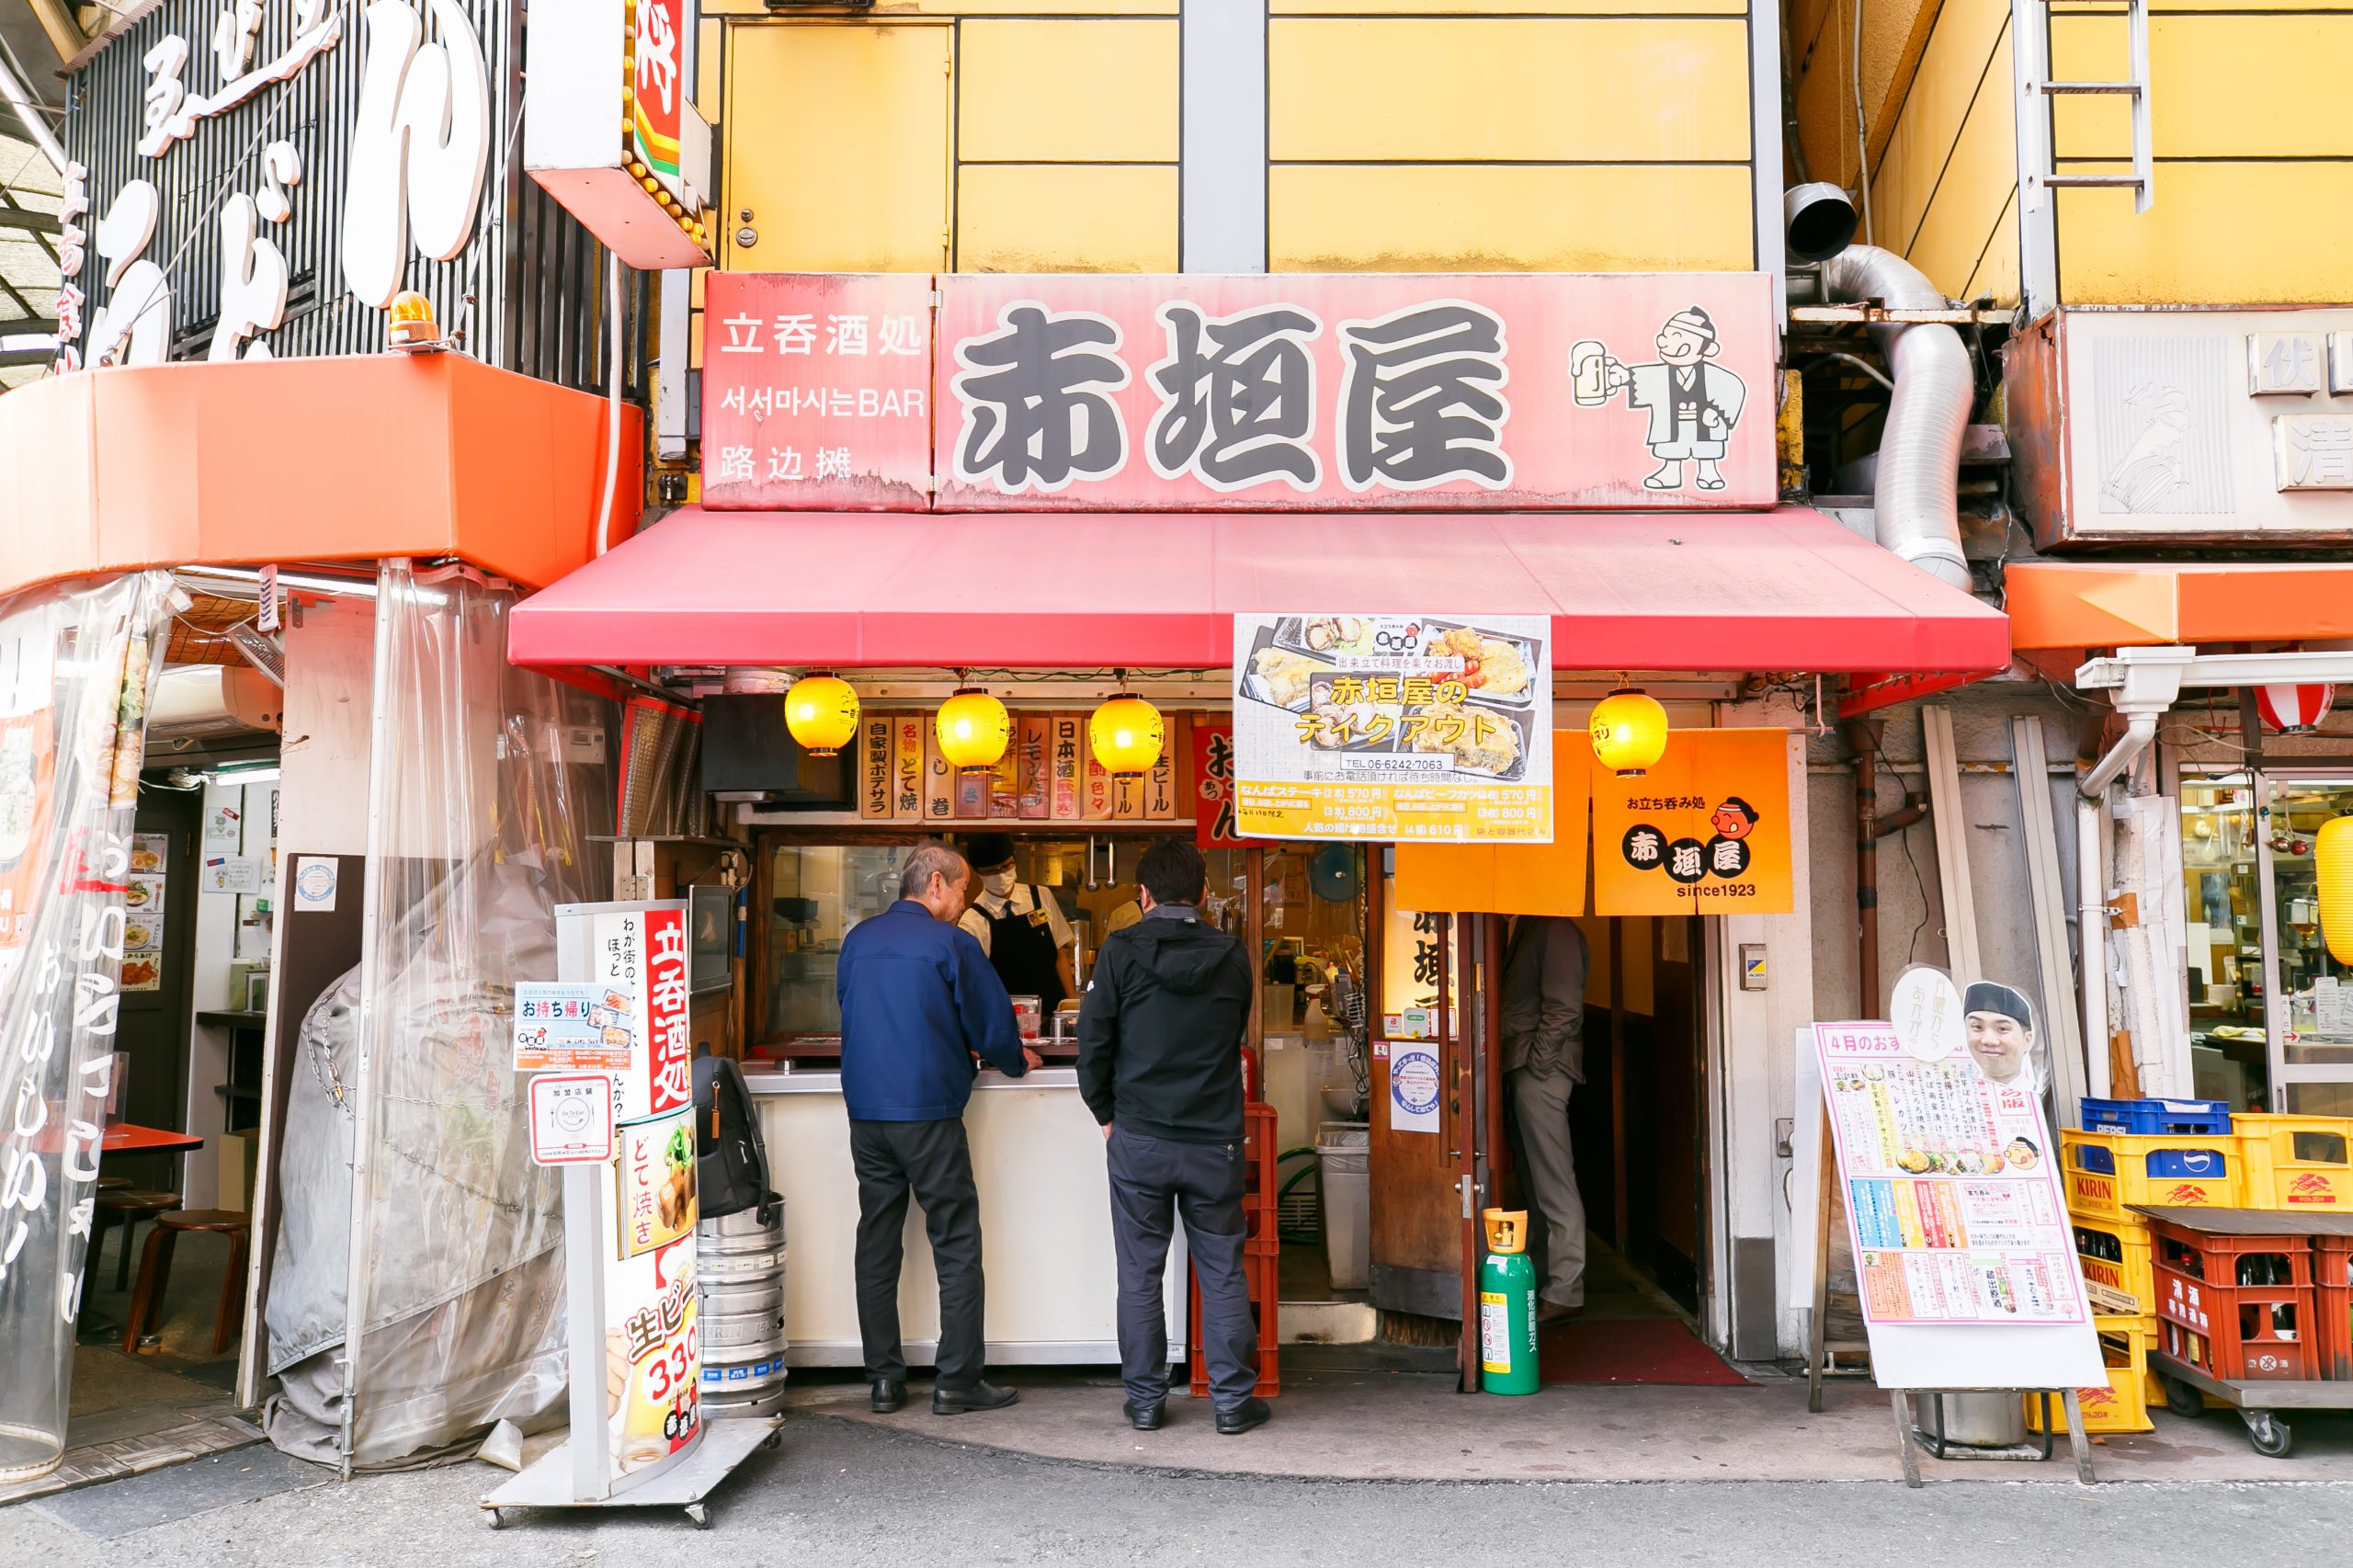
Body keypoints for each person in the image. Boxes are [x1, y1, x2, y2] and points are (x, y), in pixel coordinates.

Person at [835, 841, 1040, 1417]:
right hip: (928, 1114)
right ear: (935, 885)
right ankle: (957, 1383)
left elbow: (849, 1009)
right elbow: (994, 1025)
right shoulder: (953, 943)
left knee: (878, 1240)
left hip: (867, 1116)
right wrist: (1017, 1058)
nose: (964, 901)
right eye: (961, 889)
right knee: (954, 1241)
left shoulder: (857, 942)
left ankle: (883, 1380)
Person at [1075, 839, 1267, 1437]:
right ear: (1204, 895)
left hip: (1141, 1137)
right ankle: (1233, 1402)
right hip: (1214, 1140)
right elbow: (1233, 1033)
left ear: (1143, 896)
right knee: (1223, 1270)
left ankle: (1145, 1402)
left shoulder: (1119, 951)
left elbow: (1093, 1043)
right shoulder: (1232, 954)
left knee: (1139, 1272)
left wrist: (1106, 1114)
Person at [1501, 914, 1591, 1326]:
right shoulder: (1530, 927)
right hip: (1525, 1064)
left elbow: (1564, 1009)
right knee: (1534, 1177)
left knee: (1553, 1179)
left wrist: (1537, 1064)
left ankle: (1566, 1288)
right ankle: (1545, 1280)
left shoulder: (1554, 930)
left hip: (1541, 1069)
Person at [959, 833, 1078, 1007]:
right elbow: (976, 980)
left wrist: (1071, 1004)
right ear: (977, 873)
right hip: (1007, 1016)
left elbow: (1059, 955)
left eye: (1006, 866)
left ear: (1014, 860)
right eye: (991, 871)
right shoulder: (973, 920)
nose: (1000, 875)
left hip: (1053, 1010)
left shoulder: (1041, 896)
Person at [1963, 980, 2043, 1092]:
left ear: (2027, 1040)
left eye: (2002, 1029)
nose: (1988, 1040)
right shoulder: (1963, 1095)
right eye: (1977, 1027)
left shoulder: (2038, 1096)